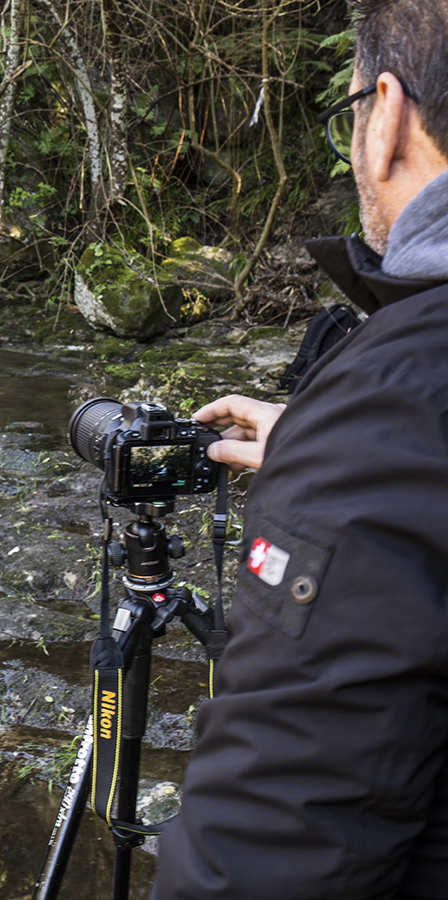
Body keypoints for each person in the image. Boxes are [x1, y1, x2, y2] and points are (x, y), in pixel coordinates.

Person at [152, 0, 448, 896]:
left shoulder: (400, 394)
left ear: (385, 113)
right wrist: (349, 456)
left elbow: (268, 854)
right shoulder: (403, 423)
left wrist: (358, 446)